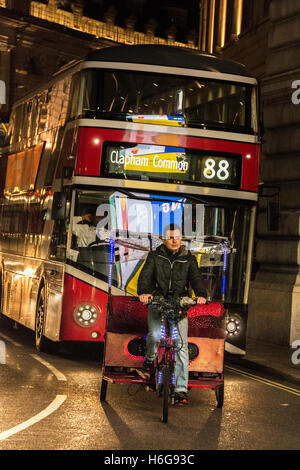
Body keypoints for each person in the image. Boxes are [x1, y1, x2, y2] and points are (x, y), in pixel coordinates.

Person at [137, 223, 207, 405]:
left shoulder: (188, 259)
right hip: (157, 301)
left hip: (179, 304)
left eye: (177, 237)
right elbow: (145, 276)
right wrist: (145, 292)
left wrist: (200, 295)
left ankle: (181, 390)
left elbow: (196, 278)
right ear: (163, 239)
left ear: (181, 238)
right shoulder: (154, 256)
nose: (174, 240)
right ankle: (150, 359)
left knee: (180, 346)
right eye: (170, 237)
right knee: (154, 334)